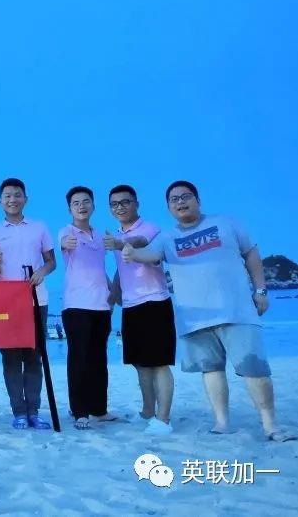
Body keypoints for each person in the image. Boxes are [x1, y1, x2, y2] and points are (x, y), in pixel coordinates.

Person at [123, 181, 296, 441]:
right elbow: (148, 254)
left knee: (254, 368)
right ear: (169, 207)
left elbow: (251, 254)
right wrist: (130, 251)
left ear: (198, 200)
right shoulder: (167, 238)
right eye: (174, 199)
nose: (180, 202)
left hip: (236, 311)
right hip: (195, 319)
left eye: (185, 196)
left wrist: (260, 291)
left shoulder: (226, 223)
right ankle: (221, 422)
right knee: (211, 370)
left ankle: (271, 425)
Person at [0, 178, 57, 430]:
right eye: (7, 196)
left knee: (34, 357)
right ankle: (18, 412)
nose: (12, 199)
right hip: (6, 301)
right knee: (11, 358)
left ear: (25, 198)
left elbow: (51, 261)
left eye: (17, 195)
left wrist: (41, 272)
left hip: (37, 299)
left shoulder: (39, 227)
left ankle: (34, 410)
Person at [103, 185, 176, 435]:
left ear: (136, 203)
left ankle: (163, 419)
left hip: (155, 302)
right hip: (131, 306)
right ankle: (147, 411)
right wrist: (113, 295)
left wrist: (119, 243)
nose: (120, 207)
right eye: (114, 204)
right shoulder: (117, 234)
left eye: (125, 202)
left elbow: (140, 242)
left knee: (159, 363)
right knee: (140, 363)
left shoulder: (149, 228)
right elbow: (121, 269)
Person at [58, 188, 118, 430]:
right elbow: (63, 244)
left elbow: (98, 268)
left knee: (99, 358)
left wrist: (112, 293)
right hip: (76, 305)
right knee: (78, 359)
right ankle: (80, 411)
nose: (81, 206)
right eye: (76, 203)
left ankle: (99, 409)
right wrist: (65, 243)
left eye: (86, 202)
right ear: (69, 209)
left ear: (93, 205)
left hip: (101, 305)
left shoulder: (100, 236)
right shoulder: (67, 232)